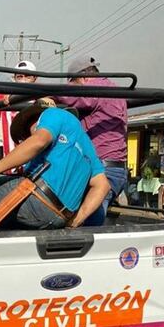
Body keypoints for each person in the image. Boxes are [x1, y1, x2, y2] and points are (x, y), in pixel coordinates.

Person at [0, 102, 110, 233]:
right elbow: (102, 185)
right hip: (59, 218)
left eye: (27, 134)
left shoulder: (52, 114)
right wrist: (76, 220)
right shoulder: (87, 145)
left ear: (35, 120)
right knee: (1, 223)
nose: (27, 138)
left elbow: (39, 141)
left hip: (38, 198)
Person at [51, 54, 129, 225]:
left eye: (72, 83)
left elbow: (70, 96)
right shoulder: (115, 90)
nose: (71, 87)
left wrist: (45, 94)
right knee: (86, 212)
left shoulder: (95, 88)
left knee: (90, 218)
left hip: (102, 168)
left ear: (83, 77)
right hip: (116, 168)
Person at [0, 60, 38, 157]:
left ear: (35, 78)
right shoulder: (3, 97)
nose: (23, 80)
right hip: (12, 161)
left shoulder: (43, 98)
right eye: (20, 77)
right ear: (14, 78)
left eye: (28, 76)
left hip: (36, 160)